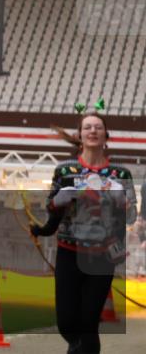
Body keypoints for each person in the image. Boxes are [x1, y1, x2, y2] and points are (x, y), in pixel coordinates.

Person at [30, 111, 137, 354]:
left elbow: (130, 217)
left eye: (98, 127)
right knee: (67, 324)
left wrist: (121, 200)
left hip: (101, 258)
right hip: (69, 254)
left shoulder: (121, 174)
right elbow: (50, 207)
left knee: (89, 323)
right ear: (80, 135)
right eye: (87, 127)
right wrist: (60, 199)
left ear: (105, 136)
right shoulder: (65, 171)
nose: (92, 131)